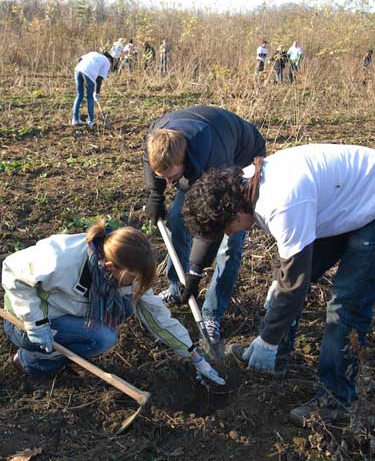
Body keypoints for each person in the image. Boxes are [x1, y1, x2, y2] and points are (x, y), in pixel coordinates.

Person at [183, 143, 375, 426]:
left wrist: (269, 336)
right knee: (285, 286)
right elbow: (290, 258)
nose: (230, 233)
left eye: (226, 228)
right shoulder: (248, 186)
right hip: (341, 201)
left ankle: (335, 403)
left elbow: (294, 284)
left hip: (369, 204)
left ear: (234, 212)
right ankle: (277, 358)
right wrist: (282, 284)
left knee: (345, 306)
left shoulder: (282, 200)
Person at [2, 220, 224, 386]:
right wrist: (36, 323)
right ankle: (29, 362)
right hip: (23, 321)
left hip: (64, 314)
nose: (135, 284)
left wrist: (195, 357)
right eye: (132, 278)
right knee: (103, 338)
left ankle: (49, 354)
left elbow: (157, 316)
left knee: (111, 324)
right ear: (109, 267)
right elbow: (11, 270)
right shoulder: (62, 258)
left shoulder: (125, 269)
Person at [143, 105, 266, 345]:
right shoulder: (156, 137)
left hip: (241, 158)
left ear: (184, 159)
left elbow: (213, 224)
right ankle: (176, 286)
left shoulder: (215, 160)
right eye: (163, 178)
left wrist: (196, 272)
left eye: (171, 177)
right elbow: (152, 166)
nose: (168, 183)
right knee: (178, 216)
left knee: (230, 243)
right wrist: (155, 195)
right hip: (201, 160)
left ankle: (212, 314)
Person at [72, 51, 113, 127]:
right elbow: (99, 79)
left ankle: (75, 119)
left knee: (79, 95)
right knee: (90, 97)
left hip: (78, 70)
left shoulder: (92, 53)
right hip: (89, 74)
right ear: (109, 59)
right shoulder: (107, 62)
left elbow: (80, 59)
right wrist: (97, 93)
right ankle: (90, 121)